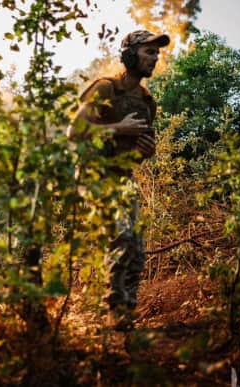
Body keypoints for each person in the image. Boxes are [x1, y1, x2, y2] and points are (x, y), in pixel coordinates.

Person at [68, 30, 170, 329]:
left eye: (157, 53)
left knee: (137, 250)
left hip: (121, 176)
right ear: (129, 54)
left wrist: (145, 152)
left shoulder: (147, 102)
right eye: (148, 52)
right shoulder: (105, 89)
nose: (155, 58)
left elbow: (135, 151)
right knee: (122, 235)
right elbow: (75, 133)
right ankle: (113, 308)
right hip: (93, 174)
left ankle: (125, 315)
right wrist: (118, 128)